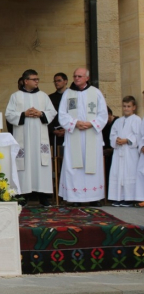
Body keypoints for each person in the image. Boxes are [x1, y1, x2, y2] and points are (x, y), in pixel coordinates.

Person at [5, 69, 57, 207]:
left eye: (37, 79)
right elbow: (9, 114)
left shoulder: (43, 96)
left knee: (41, 165)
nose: (37, 81)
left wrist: (40, 113)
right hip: (24, 138)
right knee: (24, 165)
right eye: (34, 79)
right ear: (25, 81)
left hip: (40, 138)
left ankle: (44, 197)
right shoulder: (15, 96)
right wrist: (24, 114)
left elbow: (52, 112)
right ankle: (23, 196)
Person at [58, 67, 108, 207]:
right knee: (74, 166)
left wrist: (92, 124)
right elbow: (62, 114)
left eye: (80, 76)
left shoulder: (96, 93)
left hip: (92, 135)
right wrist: (75, 123)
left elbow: (103, 114)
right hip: (74, 134)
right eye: (75, 76)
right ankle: (75, 198)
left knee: (92, 165)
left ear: (87, 78)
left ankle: (95, 197)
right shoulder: (68, 93)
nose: (76, 78)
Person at [108, 96, 140, 207]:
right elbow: (112, 134)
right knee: (118, 173)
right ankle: (118, 197)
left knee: (129, 173)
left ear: (134, 107)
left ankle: (129, 198)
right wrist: (116, 139)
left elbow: (138, 136)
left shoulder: (137, 120)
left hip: (130, 152)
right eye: (124, 106)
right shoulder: (118, 121)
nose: (126, 109)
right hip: (119, 151)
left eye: (129, 106)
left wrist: (127, 140)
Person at [48, 73, 68, 148]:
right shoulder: (50, 98)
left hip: (69, 131)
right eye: (55, 81)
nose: (56, 83)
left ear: (65, 81)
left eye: (59, 80)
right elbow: (47, 115)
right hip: (55, 133)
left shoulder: (72, 96)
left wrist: (68, 129)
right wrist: (52, 130)